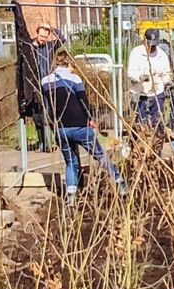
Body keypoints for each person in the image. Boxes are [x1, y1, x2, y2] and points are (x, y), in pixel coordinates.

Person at [41, 50, 125, 205]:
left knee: (70, 162)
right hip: (80, 127)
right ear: (70, 63)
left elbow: (48, 105)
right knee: (100, 156)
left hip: (60, 129)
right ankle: (120, 183)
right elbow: (83, 102)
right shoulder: (75, 79)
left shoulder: (45, 81)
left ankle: (71, 198)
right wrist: (90, 119)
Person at [127, 28, 173, 132]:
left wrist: (167, 81)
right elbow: (131, 72)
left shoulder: (161, 55)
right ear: (144, 40)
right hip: (140, 94)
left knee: (157, 122)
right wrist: (139, 77)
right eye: (150, 44)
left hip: (157, 93)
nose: (152, 47)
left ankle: (156, 145)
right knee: (141, 124)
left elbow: (166, 72)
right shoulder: (136, 53)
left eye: (154, 44)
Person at [29, 23, 64, 151]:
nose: (43, 39)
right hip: (34, 85)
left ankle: (54, 141)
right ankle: (42, 142)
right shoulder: (30, 47)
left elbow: (62, 39)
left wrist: (51, 28)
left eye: (45, 36)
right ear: (37, 33)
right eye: (41, 35)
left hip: (48, 85)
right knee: (37, 116)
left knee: (49, 114)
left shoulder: (49, 47)